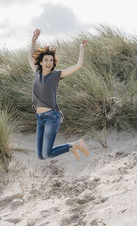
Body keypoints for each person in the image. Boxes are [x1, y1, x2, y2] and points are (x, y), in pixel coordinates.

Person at [28, 28, 89, 161]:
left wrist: (81, 48)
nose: (49, 63)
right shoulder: (37, 73)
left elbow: (78, 65)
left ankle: (76, 144)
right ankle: (72, 147)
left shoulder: (56, 75)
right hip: (40, 118)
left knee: (48, 153)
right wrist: (33, 41)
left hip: (51, 116)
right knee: (41, 156)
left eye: (51, 60)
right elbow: (30, 56)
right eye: (46, 60)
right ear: (41, 62)